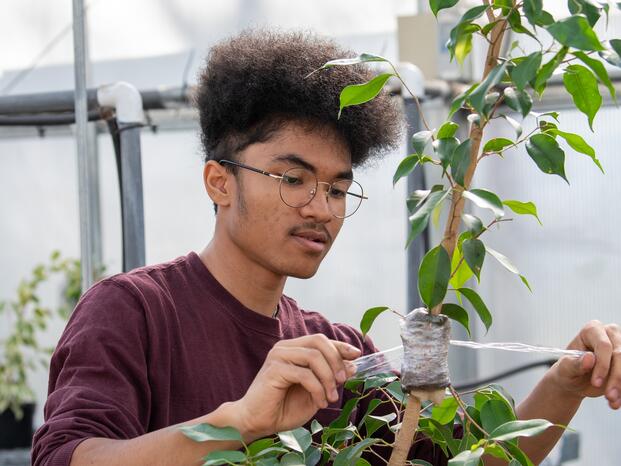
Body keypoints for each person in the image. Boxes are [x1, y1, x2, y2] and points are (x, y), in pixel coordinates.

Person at [31, 29, 620, 466]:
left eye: (339, 187)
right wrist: (236, 424)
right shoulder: (135, 312)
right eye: (293, 179)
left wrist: (566, 382)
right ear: (219, 181)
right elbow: (67, 459)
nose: (322, 208)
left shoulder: (338, 353)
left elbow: (474, 462)